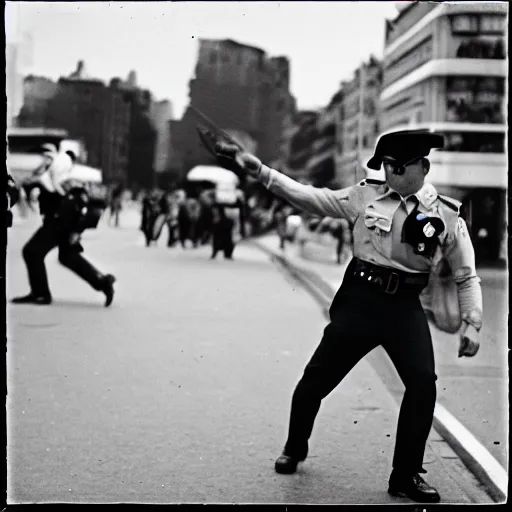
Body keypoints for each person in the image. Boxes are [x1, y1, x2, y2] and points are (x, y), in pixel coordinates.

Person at [214, 130, 483, 504]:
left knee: (423, 384)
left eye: (399, 167)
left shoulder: (447, 216)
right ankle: (295, 446)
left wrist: (472, 322)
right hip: (360, 302)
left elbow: (465, 274)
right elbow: (312, 198)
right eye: (386, 166)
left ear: (423, 166)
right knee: (315, 379)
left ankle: (405, 475)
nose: (390, 173)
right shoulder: (363, 196)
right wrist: (260, 170)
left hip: (404, 308)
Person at [11, 148, 115, 307]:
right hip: (62, 222)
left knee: (32, 251)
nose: (44, 161)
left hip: (59, 222)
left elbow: (84, 206)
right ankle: (102, 282)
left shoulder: (68, 180)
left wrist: (76, 230)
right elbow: (39, 191)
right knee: (68, 256)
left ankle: (40, 293)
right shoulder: (51, 178)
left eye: (47, 157)